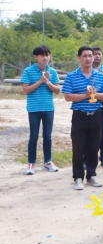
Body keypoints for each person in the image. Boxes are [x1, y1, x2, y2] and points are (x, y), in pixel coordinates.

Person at [62, 46, 103, 190]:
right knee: (78, 147)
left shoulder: (100, 76)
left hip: (96, 116)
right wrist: (85, 95)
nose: (88, 58)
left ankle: (91, 175)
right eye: (85, 56)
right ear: (79, 58)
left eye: (90, 56)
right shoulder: (72, 76)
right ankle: (78, 177)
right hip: (80, 116)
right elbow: (67, 96)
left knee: (94, 146)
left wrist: (95, 95)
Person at [21, 45, 61, 175]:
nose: (45, 58)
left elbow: (57, 91)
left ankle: (47, 161)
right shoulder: (28, 71)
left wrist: (47, 82)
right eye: (42, 55)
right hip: (34, 108)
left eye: (47, 55)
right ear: (36, 57)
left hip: (49, 108)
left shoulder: (53, 72)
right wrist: (40, 81)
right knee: (33, 136)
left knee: (47, 136)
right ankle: (31, 163)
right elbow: (25, 90)